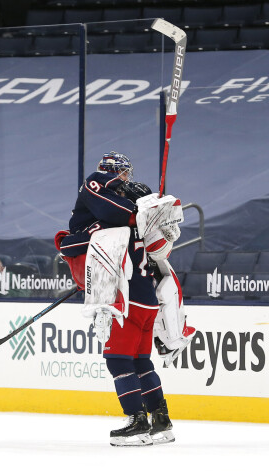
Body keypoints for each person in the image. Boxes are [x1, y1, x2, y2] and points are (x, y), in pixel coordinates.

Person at [54, 151, 194, 446]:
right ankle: (161, 420)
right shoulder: (141, 225)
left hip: (126, 302)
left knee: (118, 361)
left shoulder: (111, 226)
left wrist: (66, 243)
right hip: (148, 302)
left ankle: (137, 422)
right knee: (141, 361)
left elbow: (73, 245)